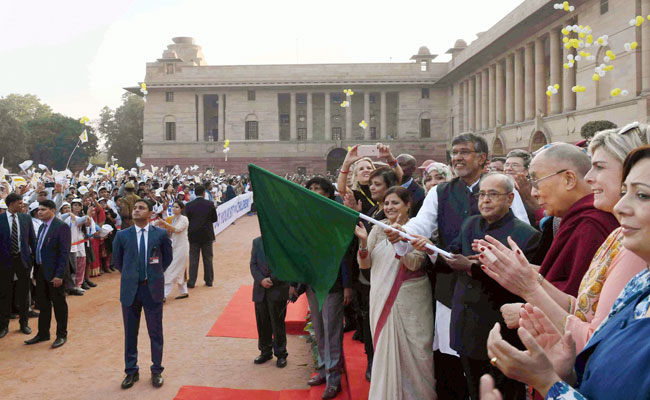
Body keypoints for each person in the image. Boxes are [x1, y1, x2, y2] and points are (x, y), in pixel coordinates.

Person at [484, 145, 650, 399]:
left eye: (642, 195)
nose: (620, 207)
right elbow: (602, 367)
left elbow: (591, 335)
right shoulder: (641, 283)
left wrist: (548, 382)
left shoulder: (603, 230)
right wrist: (566, 375)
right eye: (626, 191)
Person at [385, 133, 529, 400]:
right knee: (455, 363)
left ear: (482, 158)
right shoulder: (441, 192)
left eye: (464, 152)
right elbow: (421, 225)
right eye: (454, 152)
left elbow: (520, 236)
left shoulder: (504, 188)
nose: (458, 157)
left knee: (499, 369)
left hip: (496, 295)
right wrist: (401, 233)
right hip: (453, 293)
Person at [414, 173, 541, 400]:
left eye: (493, 194)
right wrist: (431, 249)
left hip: (499, 330)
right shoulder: (470, 224)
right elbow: (452, 255)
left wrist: (472, 268)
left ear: (510, 199)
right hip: (466, 327)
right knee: (474, 390)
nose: (485, 200)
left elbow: (520, 286)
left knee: (505, 392)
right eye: (481, 194)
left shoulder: (526, 235)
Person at [355, 186, 435, 399]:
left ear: (408, 205)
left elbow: (415, 263)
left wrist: (399, 243)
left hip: (411, 298)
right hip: (382, 296)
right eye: (387, 203)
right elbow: (365, 264)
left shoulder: (416, 228)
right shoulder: (378, 228)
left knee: (418, 353)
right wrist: (363, 242)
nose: (389, 207)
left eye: (395, 203)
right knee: (387, 351)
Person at [112, 199, 173, 389]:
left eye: (141, 208)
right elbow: (117, 261)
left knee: (155, 332)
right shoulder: (122, 235)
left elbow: (167, 258)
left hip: (152, 289)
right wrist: (132, 275)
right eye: (136, 208)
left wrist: (153, 275)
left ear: (149, 212)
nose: (137, 210)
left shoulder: (161, 234)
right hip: (130, 290)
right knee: (130, 333)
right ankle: (131, 371)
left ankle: (157, 370)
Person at [305, 178, 352, 400]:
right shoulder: (306, 218)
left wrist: (347, 285)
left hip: (333, 284)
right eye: (311, 189)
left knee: (332, 331)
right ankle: (323, 370)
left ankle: (334, 380)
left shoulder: (335, 216)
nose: (315, 192)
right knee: (320, 329)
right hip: (313, 283)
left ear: (328, 193)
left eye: (319, 189)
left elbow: (343, 254)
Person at [25, 200, 71, 349]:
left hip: (54, 274)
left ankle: (61, 334)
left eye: (43, 209)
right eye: (38, 210)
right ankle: (43, 333)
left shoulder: (61, 227)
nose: (39, 212)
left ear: (52, 210)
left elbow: (64, 254)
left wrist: (59, 275)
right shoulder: (42, 227)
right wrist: (35, 272)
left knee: (59, 305)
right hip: (41, 272)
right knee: (43, 304)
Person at [250, 236, 290, 368]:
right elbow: (253, 264)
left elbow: (286, 265)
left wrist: (272, 279)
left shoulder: (282, 241)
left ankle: (281, 354)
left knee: (277, 323)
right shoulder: (256, 242)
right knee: (262, 322)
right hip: (260, 290)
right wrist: (261, 280)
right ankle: (265, 351)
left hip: (277, 289)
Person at [0, 193, 36, 338]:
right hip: (4, 263)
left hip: (23, 261)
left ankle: (24, 324)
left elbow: (32, 240)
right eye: (20, 203)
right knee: (4, 294)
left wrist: (34, 258)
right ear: (12, 203)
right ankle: (3, 326)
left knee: (23, 294)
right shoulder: (0, 220)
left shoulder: (26, 218)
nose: (22, 206)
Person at [184, 185, 218, 288]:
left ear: (195, 193)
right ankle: (209, 280)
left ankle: (192, 282)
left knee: (193, 259)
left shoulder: (189, 205)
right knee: (208, 258)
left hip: (193, 235)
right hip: (207, 235)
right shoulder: (210, 204)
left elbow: (187, 220)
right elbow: (214, 219)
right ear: (204, 193)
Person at [156, 201, 189, 300]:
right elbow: (167, 230)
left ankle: (164, 295)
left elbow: (177, 230)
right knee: (180, 269)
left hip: (181, 247)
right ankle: (184, 291)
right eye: (173, 207)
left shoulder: (184, 219)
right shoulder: (172, 219)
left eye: (176, 207)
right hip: (174, 246)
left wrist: (165, 223)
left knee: (170, 270)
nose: (174, 209)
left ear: (181, 209)